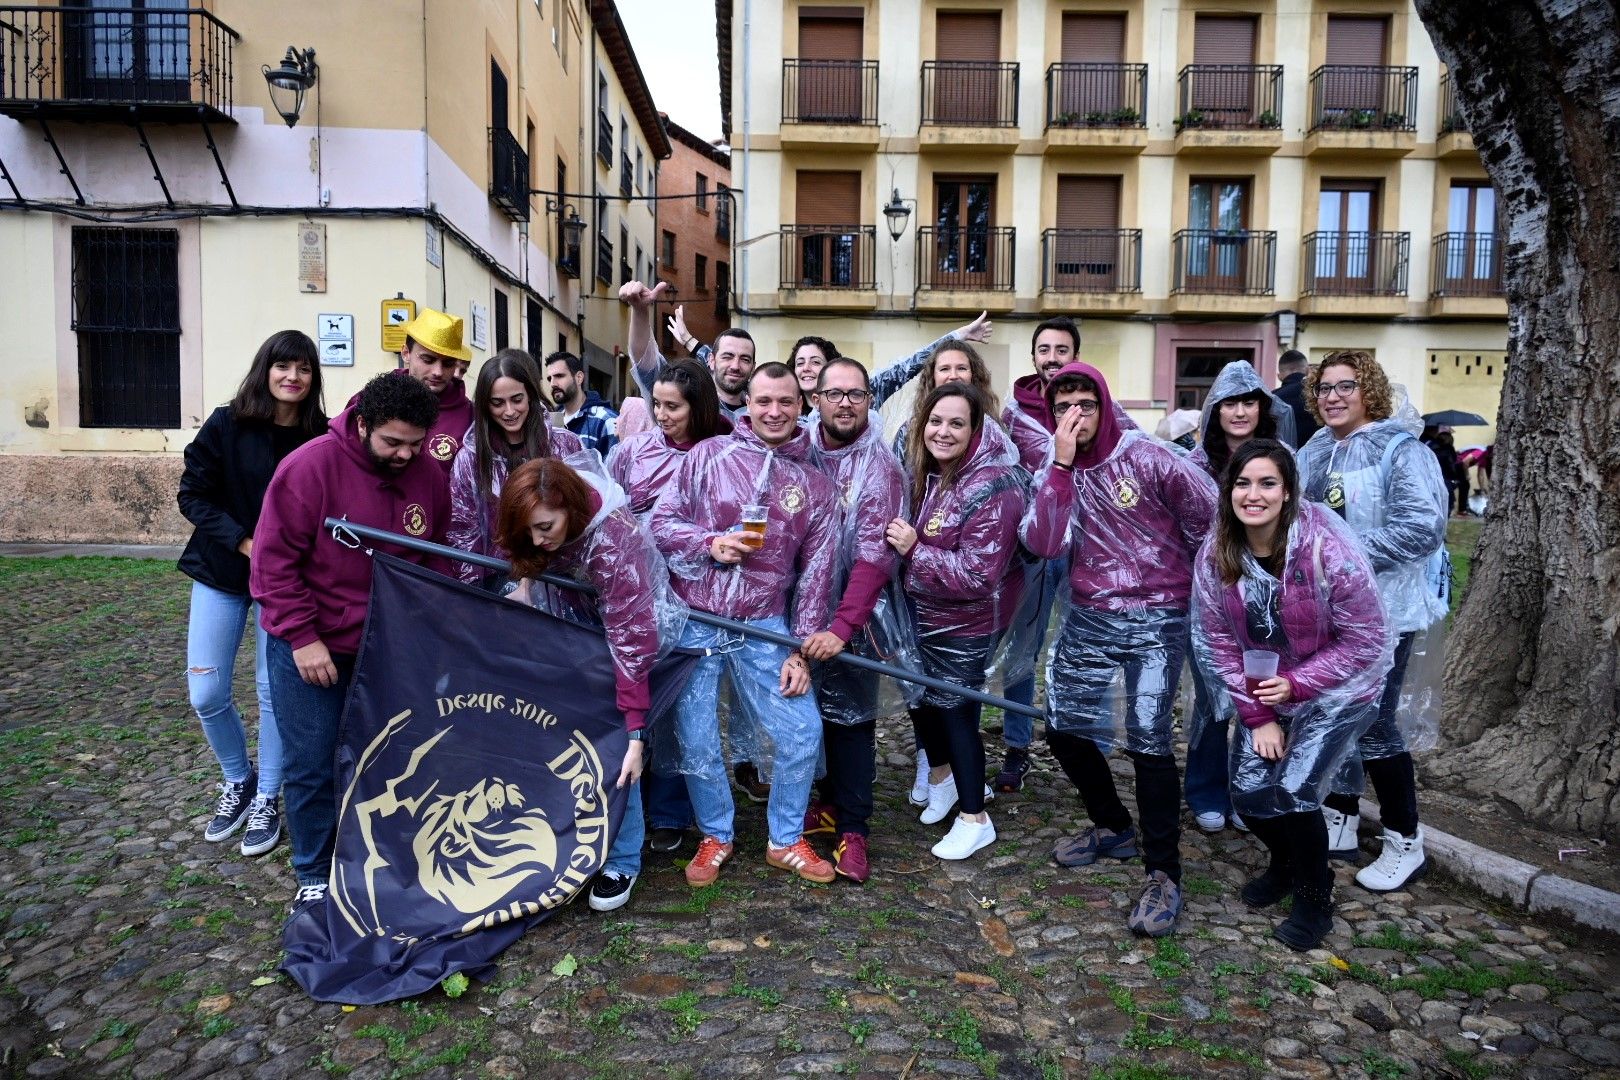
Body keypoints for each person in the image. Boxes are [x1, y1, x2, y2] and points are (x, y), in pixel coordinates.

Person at [1021, 363, 1218, 938]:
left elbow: (1206, 522)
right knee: (1062, 727)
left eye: (1084, 404)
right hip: (1089, 612)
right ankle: (1112, 826)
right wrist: (1058, 466)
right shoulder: (1058, 466)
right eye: (1062, 408)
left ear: (1105, 404)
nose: (1073, 417)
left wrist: (1197, 600)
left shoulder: (1148, 457)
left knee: (1150, 739)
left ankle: (1164, 873)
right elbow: (1041, 541)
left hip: (1159, 615)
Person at [251, 372, 453, 909]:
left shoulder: (427, 474)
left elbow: (433, 555)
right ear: (362, 423)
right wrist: (302, 637)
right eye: (393, 442)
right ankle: (314, 871)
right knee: (313, 760)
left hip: (389, 646)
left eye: (416, 443)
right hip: (313, 643)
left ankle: (376, 856)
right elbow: (273, 565)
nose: (406, 455)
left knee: (386, 761)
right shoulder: (309, 468)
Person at [1190, 440, 1392, 950]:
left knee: (1296, 789)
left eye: (1267, 483)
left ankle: (1314, 896)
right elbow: (1216, 639)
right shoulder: (1219, 551)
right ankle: (1286, 865)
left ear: (1287, 492)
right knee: (1250, 794)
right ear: (1227, 489)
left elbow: (1367, 638)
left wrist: (1300, 684)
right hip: (1270, 688)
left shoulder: (1325, 545)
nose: (1252, 495)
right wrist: (1258, 716)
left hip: (1341, 686)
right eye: (1242, 483)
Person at [650, 362, 840, 886]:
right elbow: (661, 525)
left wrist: (800, 651)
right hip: (700, 620)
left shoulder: (815, 486)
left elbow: (817, 575)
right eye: (763, 401)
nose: (774, 412)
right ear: (747, 404)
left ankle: (785, 839)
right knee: (696, 736)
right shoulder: (707, 456)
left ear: (801, 405)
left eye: (784, 402)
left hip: (764, 624)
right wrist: (709, 544)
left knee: (803, 730)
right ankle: (716, 835)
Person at [497, 457, 682, 912]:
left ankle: (622, 857)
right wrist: (523, 581)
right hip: (570, 638)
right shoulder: (541, 524)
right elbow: (525, 548)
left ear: (570, 509)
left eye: (545, 527)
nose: (539, 539)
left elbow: (633, 640)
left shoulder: (615, 544)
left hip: (620, 645)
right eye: (530, 530)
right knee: (561, 740)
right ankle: (567, 842)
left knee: (618, 751)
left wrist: (636, 730)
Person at [1297, 350, 1449, 892]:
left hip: (1387, 610)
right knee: (1332, 710)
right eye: (1324, 387)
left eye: (1347, 386)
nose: (1333, 396)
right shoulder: (1314, 452)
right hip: (1327, 608)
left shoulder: (1401, 451)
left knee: (1377, 721)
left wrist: (1341, 552)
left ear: (1370, 392)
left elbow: (1421, 527)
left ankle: (1405, 839)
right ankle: (1339, 813)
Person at [177, 330, 327, 858]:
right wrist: (243, 540)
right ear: (265, 369)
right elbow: (191, 494)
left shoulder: (318, 438)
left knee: (273, 693)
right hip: (222, 570)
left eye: (303, 369)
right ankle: (237, 779)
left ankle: (268, 797)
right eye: (283, 366)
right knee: (206, 691)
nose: (292, 377)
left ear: (313, 378)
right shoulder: (226, 424)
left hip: (285, 582)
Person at [891, 383, 1027, 861]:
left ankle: (975, 818)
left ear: (975, 430)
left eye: (956, 423)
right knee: (923, 702)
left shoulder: (991, 485)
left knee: (956, 712)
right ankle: (943, 781)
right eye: (935, 421)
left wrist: (914, 549)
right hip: (927, 615)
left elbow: (977, 575)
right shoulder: (935, 475)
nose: (942, 431)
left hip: (967, 622)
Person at [605, 357, 726, 855]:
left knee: (682, 704)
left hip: (694, 596)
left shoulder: (723, 453)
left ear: (698, 407)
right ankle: (629, 804)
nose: (662, 415)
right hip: (636, 591)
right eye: (656, 404)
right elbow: (609, 508)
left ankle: (671, 812)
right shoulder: (633, 452)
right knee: (638, 695)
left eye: (672, 406)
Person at [797, 358, 910, 882]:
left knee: (852, 721)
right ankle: (827, 802)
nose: (845, 402)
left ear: (869, 401)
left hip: (854, 619)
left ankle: (855, 829)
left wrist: (842, 627)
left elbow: (874, 557)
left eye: (856, 394)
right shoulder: (797, 452)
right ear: (814, 399)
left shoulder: (881, 468)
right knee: (808, 717)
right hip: (797, 608)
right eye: (834, 393)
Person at [1183, 360, 1296, 833]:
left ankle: (1252, 788)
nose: (1240, 411)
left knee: (1265, 694)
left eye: (1249, 400)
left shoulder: (1286, 458)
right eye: (1230, 401)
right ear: (1215, 410)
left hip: (1272, 597)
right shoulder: (1193, 465)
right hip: (1209, 597)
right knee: (1214, 696)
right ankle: (1206, 790)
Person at [990, 317, 1083, 793]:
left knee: (1084, 646)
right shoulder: (1013, 414)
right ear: (1033, 357)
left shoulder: (1094, 407)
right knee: (1022, 647)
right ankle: (1017, 745)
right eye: (1043, 349)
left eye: (1061, 349)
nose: (1051, 357)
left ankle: (1086, 742)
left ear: (1075, 356)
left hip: (1088, 546)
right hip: (1031, 545)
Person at [448, 349, 583, 588]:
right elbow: (464, 533)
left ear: (530, 394)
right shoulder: (470, 458)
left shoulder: (566, 445)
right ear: (485, 405)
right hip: (497, 580)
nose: (509, 412)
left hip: (560, 579)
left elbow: (583, 517)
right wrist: (473, 595)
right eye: (497, 403)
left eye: (517, 400)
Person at [351, 308, 476, 476]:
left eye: (447, 363)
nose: (438, 372)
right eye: (428, 360)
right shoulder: (371, 399)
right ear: (406, 353)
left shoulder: (472, 417)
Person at [544, 351, 619, 456]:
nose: (552, 384)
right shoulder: (550, 422)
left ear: (579, 378)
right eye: (550, 379)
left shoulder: (606, 421)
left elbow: (615, 469)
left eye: (559, 376)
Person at [1273, 350, 1318, 449]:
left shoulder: (1272, 398)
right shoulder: (1320, 394)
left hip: (1282, 459)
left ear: (1279, 376)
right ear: (1307, 370)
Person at [790, 336, 838, 415]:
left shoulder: (843, 408)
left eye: (815, 362)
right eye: (800, 363)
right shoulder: (787, 414)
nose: (806, 368)